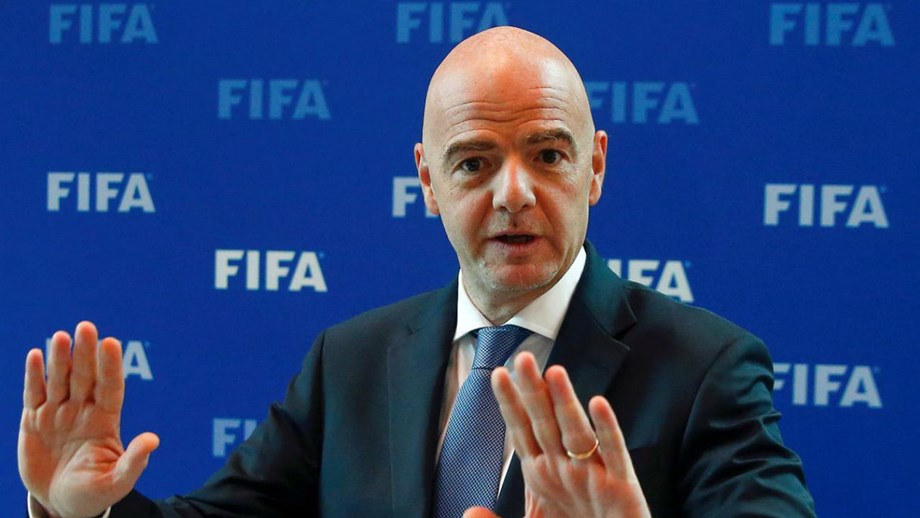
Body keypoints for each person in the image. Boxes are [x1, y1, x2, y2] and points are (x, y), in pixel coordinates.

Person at [19, 27, 816, 518]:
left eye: (547, 155)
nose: (513, 193)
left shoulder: (705, 368)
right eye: (474, 163)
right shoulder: (351, 361)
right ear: (428, 183)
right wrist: (81, 513)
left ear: (595, 166)